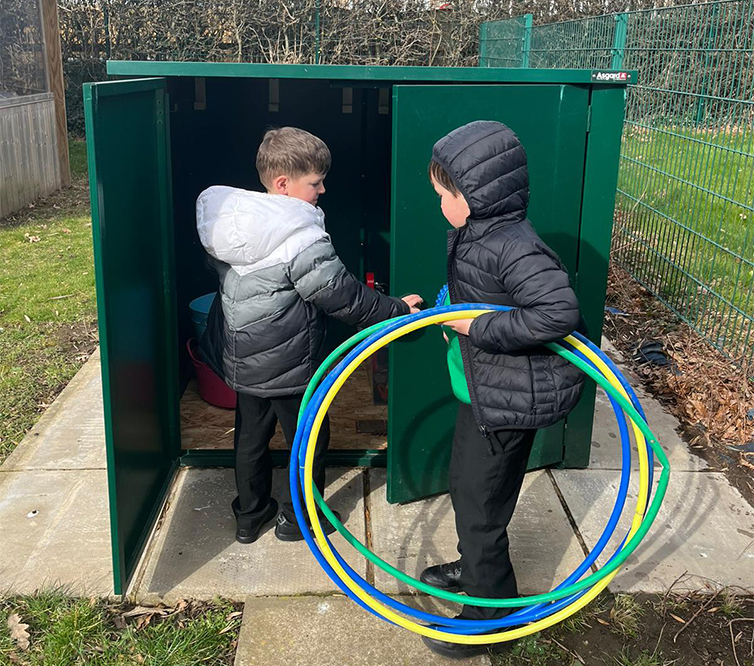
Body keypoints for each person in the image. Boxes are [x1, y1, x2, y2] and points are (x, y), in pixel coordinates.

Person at [196, 127, 422, 545]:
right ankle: (300, 518)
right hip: (291, 365)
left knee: (250, 438)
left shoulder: (233, 225)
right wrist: (398, 312)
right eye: (315, 183)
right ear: (284, 184)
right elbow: (345, 298)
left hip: (244, 358)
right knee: (309, 439)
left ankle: (249, 516)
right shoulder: (299, 236)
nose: (322, 190)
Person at [420, 120, 584, 658]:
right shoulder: (480, 234)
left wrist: (479, 328)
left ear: (475, 197)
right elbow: (475, 291)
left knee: (478, 504)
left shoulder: (511, 245)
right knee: (473, 491)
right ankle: (476, 569)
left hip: (505, 400)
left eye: (444, 195)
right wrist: (442, 309)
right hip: (485, 394)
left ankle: (489, 614)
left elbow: (558, 311)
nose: (441, 204)